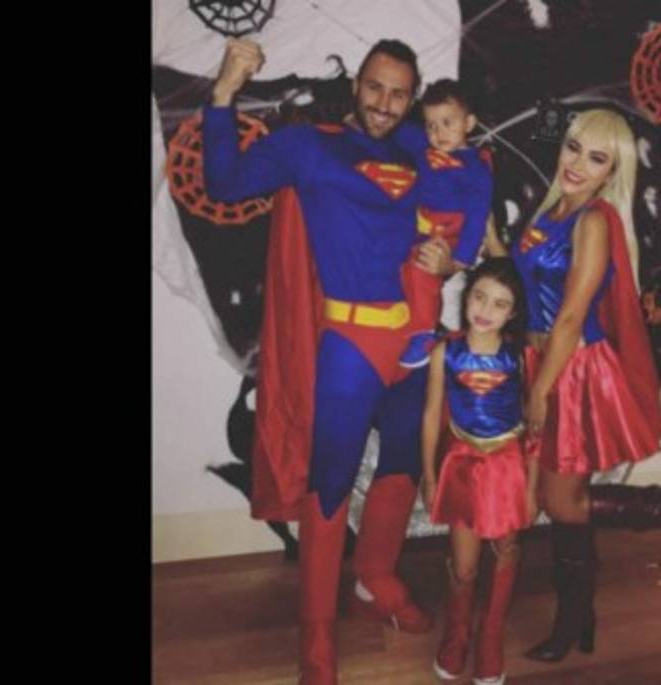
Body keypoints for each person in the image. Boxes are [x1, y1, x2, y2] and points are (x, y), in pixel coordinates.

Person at [201, 37, 459, 684]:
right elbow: (224, 181)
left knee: (401, 465)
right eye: (375, 87)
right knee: (332, 484)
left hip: (413, 345)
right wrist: (224, 91)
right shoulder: (308, 145)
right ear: (358, 85)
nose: (385, 103)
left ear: (413, 96)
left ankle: (376, 575)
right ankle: (315, 634)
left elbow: (458, 215)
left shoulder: (418, 150)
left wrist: (449, 258)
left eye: (399, 92)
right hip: (349, 342)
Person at [489, 108, 661, 662]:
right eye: (573, 148)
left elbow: (570, 316)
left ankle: (573, 621)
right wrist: (481, 240)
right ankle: (580, 616)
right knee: (550, 493)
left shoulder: (592, 220)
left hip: (572, 367)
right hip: (538, 357)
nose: (577, 164)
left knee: (562, 498)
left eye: (596, 158)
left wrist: (540, 389)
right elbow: (520, 281)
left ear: (612, 171)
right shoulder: (551, 213)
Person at [420, 258, 536, 684]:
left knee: (506, 550)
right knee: (464, 564)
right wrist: (430, 475)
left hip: (508, 466)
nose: (486, 310)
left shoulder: (519, 356)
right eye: (480, 297)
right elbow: (433, 415)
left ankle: (491, 636)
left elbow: (536, 424)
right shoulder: (445, 352)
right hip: (462, 464)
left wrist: (534, 484)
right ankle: (458, 632)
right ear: (466, 297)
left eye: (500, 304)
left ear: (513, 313)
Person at [396, 78, 494, 368]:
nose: (438, 133)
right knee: (394, 258)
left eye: (448, 123)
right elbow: (395, 129)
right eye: (431, 125)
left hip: (451, 232)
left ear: (469, 123)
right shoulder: (424, 148)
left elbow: (477, 216)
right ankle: (417, 314)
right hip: (419, 224)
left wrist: (461, 260)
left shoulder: (476, 168)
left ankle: (424, 331)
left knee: (420, 267)